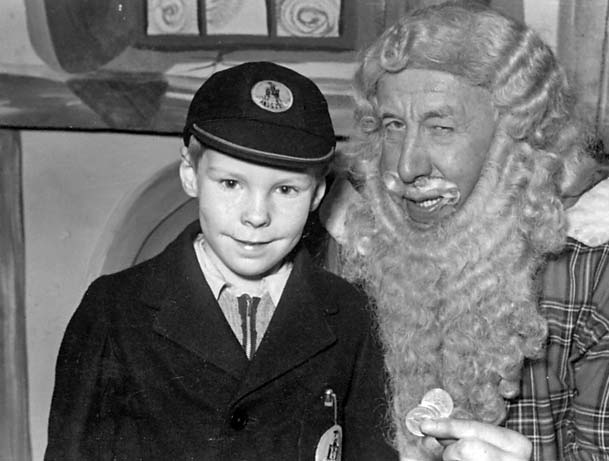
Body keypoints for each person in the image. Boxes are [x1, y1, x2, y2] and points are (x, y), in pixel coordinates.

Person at [321, 1, 609, 460]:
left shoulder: (607, 271)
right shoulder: (352, 240)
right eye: (393, 125)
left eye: (441, 127)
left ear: (517, 139)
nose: (406, 167)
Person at [45, 61, 397, 460]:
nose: (257, 215)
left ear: (317, 196)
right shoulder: (114, 309)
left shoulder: (351, 314)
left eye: (285, 189)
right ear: (190, 174)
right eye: (231, 183)